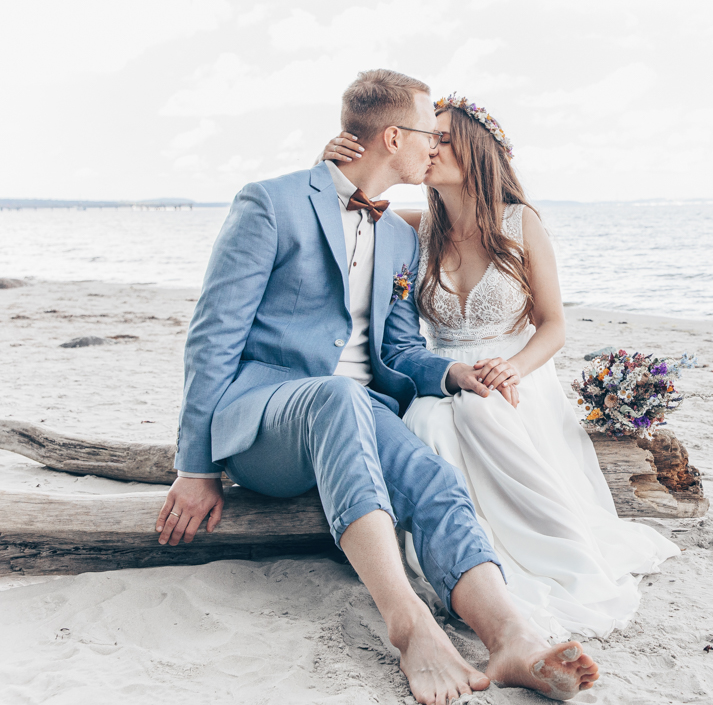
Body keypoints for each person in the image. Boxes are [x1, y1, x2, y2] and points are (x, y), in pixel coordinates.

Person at [157, 69, 599, 705]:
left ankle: (512, 639)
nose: (435, 146)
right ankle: (410, 624)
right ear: (394, 137)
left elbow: (398, 349)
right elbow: (212, 338)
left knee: (433, 476)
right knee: (338, 397)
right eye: (428, 134)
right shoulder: (271, 202)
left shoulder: (399, 235)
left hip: (361, 417)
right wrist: (194, 466)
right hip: (269, 426)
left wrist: (451, 374)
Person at [318, 92, 679, 641]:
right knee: (429, 423)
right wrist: (332, 162)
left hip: (514, 373)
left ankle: (548, 554)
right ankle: (471, 570)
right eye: (425, 137)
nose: (429, 147)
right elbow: (351, 204)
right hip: (442, 376)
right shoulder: (417, 228)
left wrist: (514, 367)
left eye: (442, 138)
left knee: (483, 414)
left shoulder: (521, 223)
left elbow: (553, 325)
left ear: (476, 150)